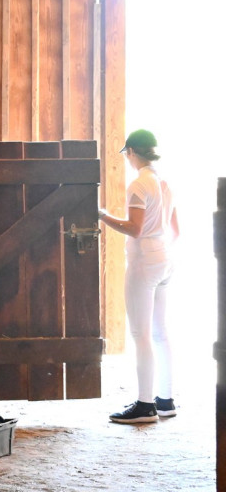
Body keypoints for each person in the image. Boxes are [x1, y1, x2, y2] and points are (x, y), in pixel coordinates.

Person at [98, 129, 180, 424]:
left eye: (127, 154)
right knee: (160, 332)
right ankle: (165, 400)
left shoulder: (138, 184)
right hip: (165, 258)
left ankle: (145, 405)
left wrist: (102, 215)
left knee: (140, 334)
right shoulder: (164, 183)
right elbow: (176, 231)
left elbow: (134, 228)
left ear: (132, 151)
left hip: (145, 261)